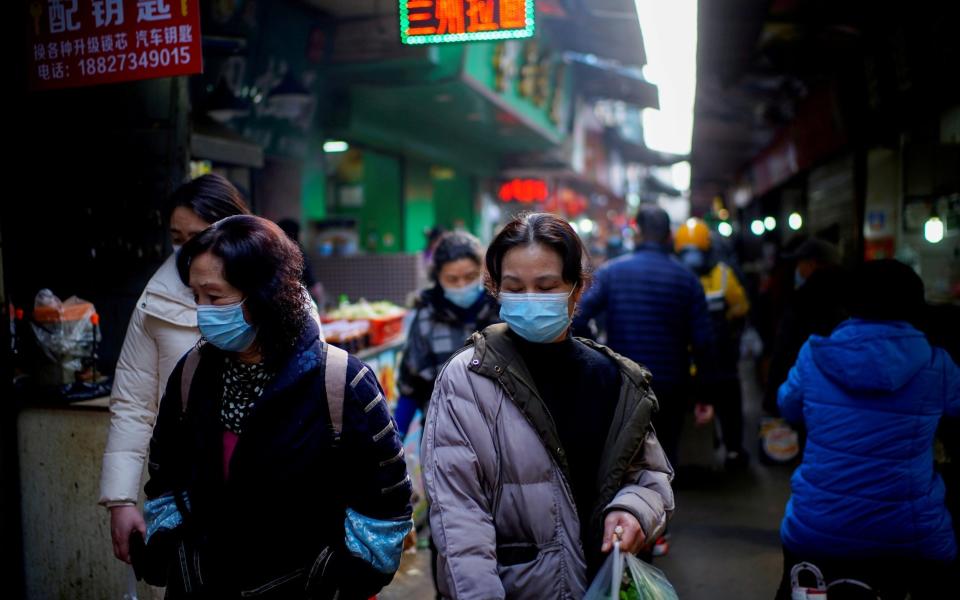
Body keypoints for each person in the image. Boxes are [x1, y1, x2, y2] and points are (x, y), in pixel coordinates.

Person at [143, 215, 412, 598]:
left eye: (215, 297)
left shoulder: (341, 381)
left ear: (263, 295)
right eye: (196, 297)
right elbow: (164, 477)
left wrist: (333, 579)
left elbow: (386, 502)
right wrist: (178, 559)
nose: (202, 312)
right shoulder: (191, 373)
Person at [423, 212, 674, 599]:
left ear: (576, 289)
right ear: (496, 290)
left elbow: (649, 477)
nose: (529, 300)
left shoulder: (613, 378)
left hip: (602, 582)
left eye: (546, 286)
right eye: (514, 287)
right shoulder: (467, 379)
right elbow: (459, 523)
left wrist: (634, 509)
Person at [775, 260, 960, 598]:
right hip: (909, 534)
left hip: (817, 527)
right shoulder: (938, 365)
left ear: (849, 302)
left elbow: (787, 406)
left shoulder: (814, 354)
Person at [99, 174, 250, 564]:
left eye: (197, 237)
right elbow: (133, 402)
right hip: (188, 492)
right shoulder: (156, 299)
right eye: (177, 237)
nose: (185, 250)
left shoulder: (277, 289)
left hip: (267, 487)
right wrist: (121, 499)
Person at [573, 205, 716, 469]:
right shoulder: (687, 279)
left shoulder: (611, 273)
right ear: (669, 236)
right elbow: (703, 341)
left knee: (624, 457)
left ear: (636, 233)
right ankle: (662, 505)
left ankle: (627, 507)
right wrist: (704, 394)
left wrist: (596, 352)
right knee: (665, 456)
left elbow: (577, 316)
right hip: (672, 385)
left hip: (624, 381)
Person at [394, 231, 501, 439]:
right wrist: (396, 440)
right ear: (439, 279)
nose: (462, 285)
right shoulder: (426, 318)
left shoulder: (500, 312)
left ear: (482, 272)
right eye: (452, 279)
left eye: (470, 277)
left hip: (499, 433)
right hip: (442, 437)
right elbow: (410, 386)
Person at [675, 217, 751, 468]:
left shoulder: (676, 275)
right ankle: (733, 450)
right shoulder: (723, 274)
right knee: (730, 401)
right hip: (719, 356)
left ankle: (681, 456)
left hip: (684, 359)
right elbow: (740, 307)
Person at [277, 218, 326, 311]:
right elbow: (315, 287)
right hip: (299, 305)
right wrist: (321, 308)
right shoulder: (298, 253)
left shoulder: (271, 254)